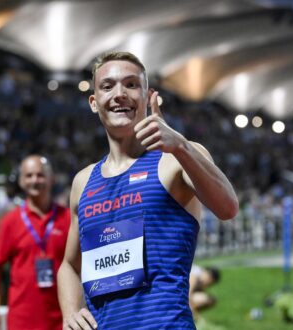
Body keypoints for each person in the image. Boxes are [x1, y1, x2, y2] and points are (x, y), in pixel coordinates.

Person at [57, 51, 238, 329]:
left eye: (131, 84)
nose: (120, 94)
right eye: (108, 86)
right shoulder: (83, 181)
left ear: (148, 95)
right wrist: (71, 311)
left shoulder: (174, 159)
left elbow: (228, 207)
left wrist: (181, 145)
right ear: (94, 102)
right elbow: (70, 265)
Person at [0, 155, 71, 330]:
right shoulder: (10, 221)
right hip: (21, 321)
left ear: (51, 179)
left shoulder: (68, 218)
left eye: (40, 175)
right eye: (29, 175)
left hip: (62, 320)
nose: (35, 180)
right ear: (21, 181)